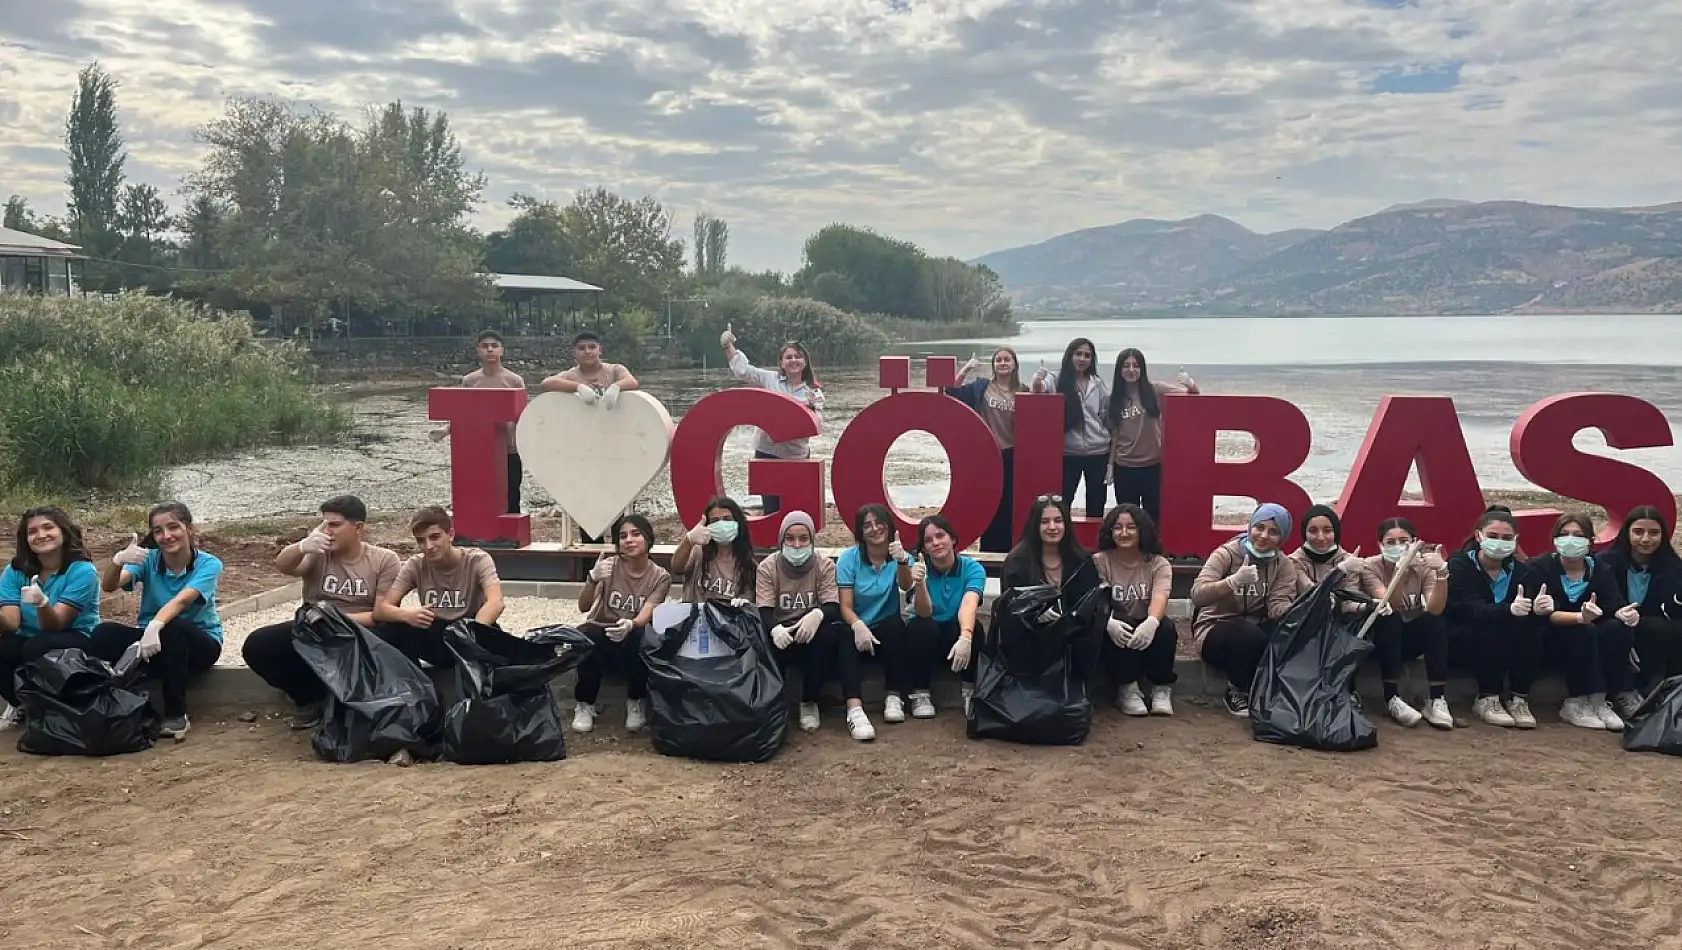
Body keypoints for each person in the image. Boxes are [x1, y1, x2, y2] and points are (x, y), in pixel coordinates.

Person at [241, 495, 403, 729]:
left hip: (358, 632)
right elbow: (284, 565)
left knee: (395, 635)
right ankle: (309, 698)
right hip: (314, 629)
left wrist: (332, 619)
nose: (328, 531)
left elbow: (379, 615)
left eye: (335, 525)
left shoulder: (384, 560)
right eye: (324, 524)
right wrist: (302, 546)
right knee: (259, 644)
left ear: (358, 527)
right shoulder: (317, 554)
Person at [89, 503, 224, 740]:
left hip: (197, 646)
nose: (166, 536)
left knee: (174, 627)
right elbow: (110, 586)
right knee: (103, 633)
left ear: (190, 529)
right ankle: (109, 705)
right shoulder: (148, 559)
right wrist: (118, 561)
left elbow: (182, 601)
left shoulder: (208, 564)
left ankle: (176, 714)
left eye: (173, 527)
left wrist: (154, 625)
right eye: (158, 531)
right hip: (155, 643)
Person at [757, 511, 874, 740]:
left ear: (812, 540)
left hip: (810, 636)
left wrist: (817, 614)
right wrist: (775, 628)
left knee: (837, 634)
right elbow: (763, 609)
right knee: (758, 638)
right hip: (782, 636)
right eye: (790, 539)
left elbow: (832, 603)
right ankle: (772, 704)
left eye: (803, 538)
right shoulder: (767, 567)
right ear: (781, 540)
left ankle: (810, 701)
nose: (797, 545)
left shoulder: (824, 565)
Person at [1190, 503, 1299, 716]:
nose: (1264, 536)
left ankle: (1270, 690)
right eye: (1259, 527)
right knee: (1247, 635)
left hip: (1256, 629)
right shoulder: (1226, 554)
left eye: (1274, 532)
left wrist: (1294, 608)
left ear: (1283, 537)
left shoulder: (1283, 565)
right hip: (1215, 628)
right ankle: (1236, 689)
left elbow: (1276, 608)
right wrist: (1232, 582)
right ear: (1250, 527)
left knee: (1284, 632)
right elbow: (1197, 594)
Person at [0, 508, 101, 732]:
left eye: (48, 527)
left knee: (38, 645)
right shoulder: (15, 571)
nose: (41, 535)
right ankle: (19, 704)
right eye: (32, 531)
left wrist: (42, 603)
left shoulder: (83, 571)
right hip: (29, 636)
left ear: (63, 532)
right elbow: (11, 623)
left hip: (76, 637)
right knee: (5, 646)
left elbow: (56, 625)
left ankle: (52, 708)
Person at [1527, 512, 1630, 731]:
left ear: (1590, 541)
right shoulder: (1540, 567)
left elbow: (1613, 604)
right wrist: (1580, 618)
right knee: (1583, 632)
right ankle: (1575, 701)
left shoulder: (1599, 569)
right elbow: (1548, 615)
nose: (1571, 540)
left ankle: (1599, 700)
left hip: (1589, 633)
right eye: (1564, 534)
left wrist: (1625, 614)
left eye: (1578, 535)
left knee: (1615, 629)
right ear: (1555, 539)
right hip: (1552, 637)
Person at [1445, 506, 1543, 729]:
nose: (1499, 542)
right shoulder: (1459, 565)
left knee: (1533, 631)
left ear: (1515, 540)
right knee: (1492, 626)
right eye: (1493, 536)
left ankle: (1519, 698)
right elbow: (1468, 608)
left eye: (1506, 538)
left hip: (1507, 640)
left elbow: (1529, 607)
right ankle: (1487, 698)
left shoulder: (1523, 571)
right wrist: (1507, 610)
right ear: (1479, 536)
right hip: (1463, 637)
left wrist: (1539, 608)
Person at [572, 513, 671, 734]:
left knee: (642, 634)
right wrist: (592, 579)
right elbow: (583, 607)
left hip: (631, 635)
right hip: (602, 633)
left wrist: (631, 623)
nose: (629, 540)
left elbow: (647, 612)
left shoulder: (660, 576)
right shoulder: (608, 566)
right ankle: (585, 703)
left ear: (648, 539)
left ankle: (635, 700)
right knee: (587, 633)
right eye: (623, 536)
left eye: (636, 534)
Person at [539, 329, 642, 542]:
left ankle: (620, 550)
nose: (587, 352)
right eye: (582, 348)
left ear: (600, 350)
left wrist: (615, 388)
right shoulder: (571, 374)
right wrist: (578, 387)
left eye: (591, 347)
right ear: (574, 353)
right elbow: (547, 383)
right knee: (588, 504)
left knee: (618, 503)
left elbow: (632, 381)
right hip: (585, 451)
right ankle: (589, 558)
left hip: (615, 447)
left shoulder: (614, 369)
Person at [373, 506, 505, 670]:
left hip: (472, 630)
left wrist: (471, 634)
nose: (428, 546)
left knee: (492, 634)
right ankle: (415, 686)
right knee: (394, 628)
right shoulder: (416, 565)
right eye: (421, 540)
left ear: (450, 535)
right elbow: (382, 610)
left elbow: (496, 602)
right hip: (438, 636)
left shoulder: (477, 560)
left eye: (435, 537)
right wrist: (408, 615)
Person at [718, 325, 823, 516]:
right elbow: (744, 371)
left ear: (805, 362)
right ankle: (770, 543)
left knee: (794, 506)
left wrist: (812, 409)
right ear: (781, 363)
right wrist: (728, 346)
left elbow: (818, 426)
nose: (793, 360)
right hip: (767, 452)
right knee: (771, 507)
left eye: (798, 356)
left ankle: (792, 543)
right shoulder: (769, 379)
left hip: (795, 456)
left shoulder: (813, 391)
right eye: (788, 357)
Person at [1360, 517, 1454, 729]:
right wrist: (1399, 573)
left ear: (1414, 543)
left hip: (1409, 639)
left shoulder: (1424, 566)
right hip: (1381, 640)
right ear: (1380, 545)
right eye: (1390, 542)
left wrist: (1441, 574)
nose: (1398, 547)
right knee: (1390, 618)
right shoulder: (1370, 567)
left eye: (1404, 541)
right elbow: (1389, 603)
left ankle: (1436, 699)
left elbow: (1434, 608)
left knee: (1434, 622)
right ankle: (1392, 698)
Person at [1092, 504, 1178, 716]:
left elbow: (1160, 595)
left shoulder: (1158, 563)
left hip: (1146, 630)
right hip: (1116, 630)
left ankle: (1161, 688)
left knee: (1166, 627)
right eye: (1117, 527)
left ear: (1142, 530)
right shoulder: (1099, 562)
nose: (1124, 533)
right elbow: (1097, 599)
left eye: (1131, 527)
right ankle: (1126, 688)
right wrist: (1107, 622)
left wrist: (1151, 622)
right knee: (1113, 628)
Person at [430, 330, 527, 514]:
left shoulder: (514, 380)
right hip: (479, 450)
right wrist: (446, 429)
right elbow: (463, 413)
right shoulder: (470, 380)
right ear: (478, 351)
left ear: (501, 350)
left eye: (494, 346)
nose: (490, 350)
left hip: (509, 450)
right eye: (485, 346)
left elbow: (523, 415)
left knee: (511, 494)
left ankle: (511, 535)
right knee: (481, 493)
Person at [1594, 504, 1682, 705]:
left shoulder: (1674, 567)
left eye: (1653, 533)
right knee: (1615, 629)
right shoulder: (1605, 563)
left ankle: (1672, 692)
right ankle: (1620, 692)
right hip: (1613, 626)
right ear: (1627, 533)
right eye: (1638, 532)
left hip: (1651, 634)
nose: (1645, 539)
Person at [836, 504, 916, 724]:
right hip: (858, 629)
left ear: (889, 526)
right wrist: (858, 625)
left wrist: (901, 561)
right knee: (843, 634)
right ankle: (854, 708)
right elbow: (845, 605)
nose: (874, 529)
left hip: (885, 634)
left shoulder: (901, 556)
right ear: (860, 533)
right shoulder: (848, 559)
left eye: (879, 522)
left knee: (895, 625)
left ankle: (893, 696)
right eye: (867, 525)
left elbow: (906, 586)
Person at [947, 348, 1027, 552]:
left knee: (1010, 504)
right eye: (998, 360)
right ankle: (989, 548)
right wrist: (966, 369)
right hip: (987, 454)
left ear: (1015, 364)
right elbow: (952, 391)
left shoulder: (1024, 391)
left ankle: (1010, 549)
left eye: (1007, 359)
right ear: (993, 365)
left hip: (1012, 454)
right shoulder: (982, 387)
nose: (1002, 363)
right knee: (990, 504)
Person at [1107, 348, 1199, 525]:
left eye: (1136, 365)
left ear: (1142, 369)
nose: (1131, 370)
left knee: (1154, 515)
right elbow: (1115, 434)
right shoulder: (1114, 398)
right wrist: (1110, 465)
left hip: (1153, 465)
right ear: (1119, 370)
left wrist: (1189, 382)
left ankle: (1151, 551)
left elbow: (1192, 395)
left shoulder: (1155, 390)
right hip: (1124, 466)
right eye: (1126, 366)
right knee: (1128, 517)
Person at [907, 514, 987, 717]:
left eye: (940, 536)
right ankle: (921, 693)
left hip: (956, 640)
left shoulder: (972, 568)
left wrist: (966, 636)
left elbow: (969, 603)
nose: (935, 543)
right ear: (923, 548)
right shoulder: (915, 567)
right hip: (928, 642)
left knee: (973, 627)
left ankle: (970, 690)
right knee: (921, 626)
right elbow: (925, 611)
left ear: (952, 538)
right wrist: (920, 582)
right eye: (928, 540)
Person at [1030, 338, 1111, 519]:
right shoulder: (1056, 379)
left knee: (1097, 501)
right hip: (1068, 452)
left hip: (1098, 451)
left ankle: (1094, 543)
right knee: (1064, 500)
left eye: (1087, 355)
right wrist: (1037, 377)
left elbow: (1104, 415)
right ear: (1070, 355)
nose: (1082, 359)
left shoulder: (1097, 383)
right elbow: (1038, 390)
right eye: (1078, 354)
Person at [672, 496, 758, 602]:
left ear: (738, 522)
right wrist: (688, 540)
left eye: (727, 519)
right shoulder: (698, 552)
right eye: (715, 521)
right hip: (694, 616)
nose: (721, 524)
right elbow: (676, 568)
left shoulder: (748, 565)